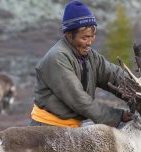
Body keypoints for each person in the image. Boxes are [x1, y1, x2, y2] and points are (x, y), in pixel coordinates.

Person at [29, 0, 132, 128]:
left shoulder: (90, 56)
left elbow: (113, 75)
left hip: (73, 127)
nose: (89, 42)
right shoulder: (57, 58)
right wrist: (117, 116)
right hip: (48, 128)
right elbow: (79, 100)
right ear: (69, 35)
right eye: (85, 38)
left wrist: (140, 91)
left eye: (92, 36)